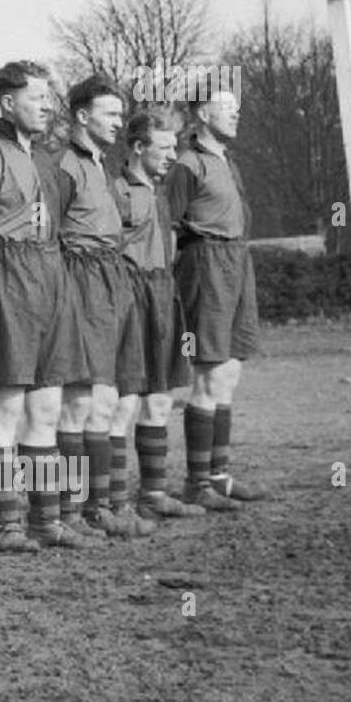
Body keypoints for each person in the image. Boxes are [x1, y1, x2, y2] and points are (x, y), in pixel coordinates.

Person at [0, 61, 88, 552]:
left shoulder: (49, 163)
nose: (47, 106)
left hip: (51, 279)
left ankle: (48, 519)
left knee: (48, 405)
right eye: (37, 97)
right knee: (7, 406)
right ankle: (5, 522)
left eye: (49, 98)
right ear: (8, 102)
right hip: (5, 279)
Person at [56, 74, 153, 539]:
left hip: (115, 280)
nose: (119, 122)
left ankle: (102, 504)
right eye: (110, 114)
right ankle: (69, 510)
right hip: (80, 282)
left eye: (121, 114)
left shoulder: (102, 167)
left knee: (110, 399)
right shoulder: (63, 167)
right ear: (81, 116)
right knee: (80, 402)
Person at [164, 88, 266, 510]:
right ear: (204, 114)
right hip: (204, 263)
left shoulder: (227, 161)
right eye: (228, 109)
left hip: (238, 261)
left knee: (229, 373)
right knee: (207, 374)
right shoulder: (187, 165)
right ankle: (196, 483)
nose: (236, 114)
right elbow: (167, 225)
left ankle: (219, 476)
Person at [108, 107, 204, 520]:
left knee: (160, 399)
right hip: (128, 297)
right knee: (123, 401)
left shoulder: (163, 193)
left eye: (175, 146)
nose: (172, 155)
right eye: (164, 147)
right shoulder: (113, 188)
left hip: (164, 295)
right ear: (138, 146)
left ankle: (155, 493)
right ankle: (111, 500)